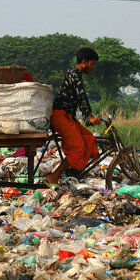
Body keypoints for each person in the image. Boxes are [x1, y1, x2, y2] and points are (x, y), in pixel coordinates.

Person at [45, 47, 101, 184]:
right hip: (60, 115)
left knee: (89, 138)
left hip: (68, 116)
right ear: (84, 62)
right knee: (77, 148)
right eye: (92, 64)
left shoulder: (76, 74)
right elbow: (82, 96)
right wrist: (90, 117)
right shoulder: (73, 74)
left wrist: (89, 118)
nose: (93, 67)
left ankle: (72, 171)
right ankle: (54, 176)